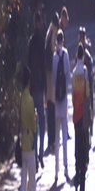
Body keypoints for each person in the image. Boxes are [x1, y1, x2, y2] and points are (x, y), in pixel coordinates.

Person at [18, 66, 37, 191]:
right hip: (29, 144)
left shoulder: (20, 99)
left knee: (23, 184)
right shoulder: (30, 100)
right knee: (32, 185)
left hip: (21, 143)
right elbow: (33, 124)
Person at [71, 43, 91, 191]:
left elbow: (73, 95)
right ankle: (82, 188)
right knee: (84, 149)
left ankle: (76, 182)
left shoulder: (73, 74)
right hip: (84, 117)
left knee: (77, 149)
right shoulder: (84, 72)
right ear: (83, 56)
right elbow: (88, 93)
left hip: (76, 116)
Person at [51, 29, 72, 185]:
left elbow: (53, 79)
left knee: (57, 136)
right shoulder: (65, 55)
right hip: (64, 99)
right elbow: (67, 76)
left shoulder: (54, 57)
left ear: (55, 41)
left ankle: (56, 169)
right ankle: (65, 165)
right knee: (64, 133)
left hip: (56, 100)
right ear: (62, 40)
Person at [28, 11, 48, 168]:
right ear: (39, 23)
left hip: (32, 87)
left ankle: (34, 155)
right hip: (40, 86)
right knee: (42, 120)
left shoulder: (30, 42)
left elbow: (29, 66)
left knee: (34, 122)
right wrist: (46, 87)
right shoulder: (40, 41)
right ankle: (41, 153)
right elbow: (43, 64)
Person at [44, 15, 58, 156]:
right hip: (50, 77)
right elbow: (54, 52)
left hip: (47, 76)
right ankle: (52, 139)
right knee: (52, 107)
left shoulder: (48, 34)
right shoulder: (52, 34)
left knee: (50, 108)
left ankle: (50, 139)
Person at [77, 26, 94, 137]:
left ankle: (89, 128)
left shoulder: (86, 49)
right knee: (85, 106)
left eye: (83, 36)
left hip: (87, 82)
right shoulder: (83, 48)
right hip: (84, 82)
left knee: (88, 106)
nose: (82, 38)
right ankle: (86, 127)